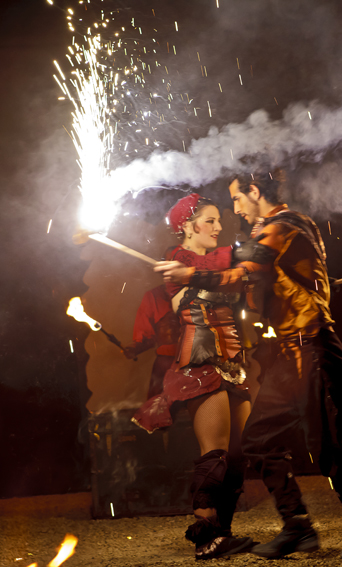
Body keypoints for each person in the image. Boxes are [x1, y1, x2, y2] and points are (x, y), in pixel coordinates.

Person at [155, 171, 342, 559]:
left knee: (330, 447)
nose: (234, 209)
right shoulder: (270, 232)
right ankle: (297, 527)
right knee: (258, 440)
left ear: (254, 191)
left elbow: (247, 270)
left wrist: (191, 273)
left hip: (314, 349)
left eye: (237, 199)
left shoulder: (284, 227)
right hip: (286, 355)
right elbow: (257, 280)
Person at [132, 194, 254, 560]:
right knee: (214, 452)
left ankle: (223, 532)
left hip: (233, 362)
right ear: (187, 225)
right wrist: (244, 262)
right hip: (200, 362)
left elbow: (234, 276)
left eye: (219, 221)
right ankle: (204, 536)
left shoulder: (212, 264)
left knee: (239, 454)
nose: (218, 227)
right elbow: (216, 271)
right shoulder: (176, 261)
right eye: (211, 220)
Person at [123, 282, 179, 399]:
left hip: (195, 361)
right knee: (157, 406)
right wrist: (135, 348)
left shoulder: (198, 292)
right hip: (165, 363)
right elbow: (146, 338)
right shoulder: (153, 296)